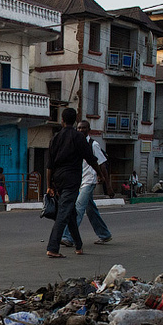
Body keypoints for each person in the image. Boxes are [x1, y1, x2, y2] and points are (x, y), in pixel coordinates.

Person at [45, 107, 110, 259]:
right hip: (72, 179)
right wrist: (100, 175)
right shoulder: (78, 137)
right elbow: (90, 158)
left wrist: (49, 185)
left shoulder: (55, 138)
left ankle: (78, 245)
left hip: (58, 178)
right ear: (75, 121)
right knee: (63, 212)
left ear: (62, 120)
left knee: (71, 212)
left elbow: (49, 165)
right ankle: (52, 247)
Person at [61, 120, 113, 247]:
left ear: (88, 129)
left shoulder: (93, 144)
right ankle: (104, 234)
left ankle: (67, 236)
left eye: (83, 128)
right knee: (91, 210)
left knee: (78, 208)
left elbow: (102, 165)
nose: (80, 130)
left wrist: (108, 185)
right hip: (79, 181)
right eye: (78, 128)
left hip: (89, 181)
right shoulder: (76, 144)